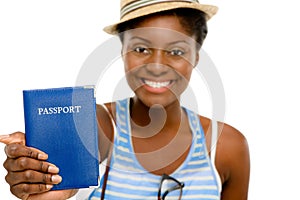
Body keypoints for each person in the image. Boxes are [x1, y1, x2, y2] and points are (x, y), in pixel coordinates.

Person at [0, 0, 250, 199]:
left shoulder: (227, 148)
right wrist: (40, 171)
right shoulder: (97, 124)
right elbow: (61, 162)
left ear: (196, 56)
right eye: (141, 49)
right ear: (122, 51)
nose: (156, 67)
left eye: (176, 51)